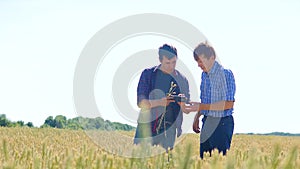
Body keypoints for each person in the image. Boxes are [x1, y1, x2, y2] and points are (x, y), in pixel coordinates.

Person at [182, 42, 236, 158]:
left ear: (212, 58)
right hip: (206, 122)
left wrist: (201, 107)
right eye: (197, 62)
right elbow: (205, 101)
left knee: (219, 163)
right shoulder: (204, 76)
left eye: (201, 61)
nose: (199, 65)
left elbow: (228, 104)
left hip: (221, 123)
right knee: (204, 161)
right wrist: (197, 117)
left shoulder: (226, 74)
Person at [133, 44, 190, 151]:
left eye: (174, 62)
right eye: (167, 63)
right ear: (160, 60)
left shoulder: (182, 79)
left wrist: (182, 104)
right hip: (146, 127)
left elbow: (186, 109)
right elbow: (141, 103)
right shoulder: (148, 74)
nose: (171, 66)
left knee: (165, 163)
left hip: (169, 130)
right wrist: (160, 102)